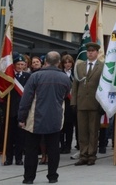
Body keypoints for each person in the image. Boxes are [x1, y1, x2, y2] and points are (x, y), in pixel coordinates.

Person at [17, 51, 70, 184]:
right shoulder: (64, 78)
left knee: (31, 149)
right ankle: (53, 176)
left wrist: (21, 118)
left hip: (35, 118)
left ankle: (29, 178)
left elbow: (26, 99)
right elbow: (66, 94)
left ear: (45, 61)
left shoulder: (36, 76)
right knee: (53, 149)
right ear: (59, 63)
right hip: (56, 118)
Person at [71, 41, 103, 166]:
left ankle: (91, 155)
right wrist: (74, 102)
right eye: (88, 51)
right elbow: (75, 85)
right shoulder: (80, 66)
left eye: (92, 51)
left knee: (93, 131)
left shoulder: (102, 66)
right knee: (82, 131)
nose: (90, 53)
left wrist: (102, 103)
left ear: (97, 52)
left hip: (95, 103)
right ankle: (83, 155)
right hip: (81, 103)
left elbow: (104, 86)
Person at [4, 54, 31, 166]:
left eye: (22, 64)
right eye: (18, 64)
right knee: (9, 135)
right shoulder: (9, 77)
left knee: (21, 136)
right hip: (11, 110)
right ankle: (9, 158)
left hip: (22, 111)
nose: (20, 66)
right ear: (14, 65)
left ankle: (19, 158)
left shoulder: (27, 76)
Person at [59, 54, 75, 154]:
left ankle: (68, 145)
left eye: (69, 62)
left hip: (71, 102)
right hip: (61, 101)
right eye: (65, 62)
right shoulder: (60, 73)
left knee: (69, 125)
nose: (67, 64)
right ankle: (62, 144)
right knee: (61, 125)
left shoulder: (75, 74)